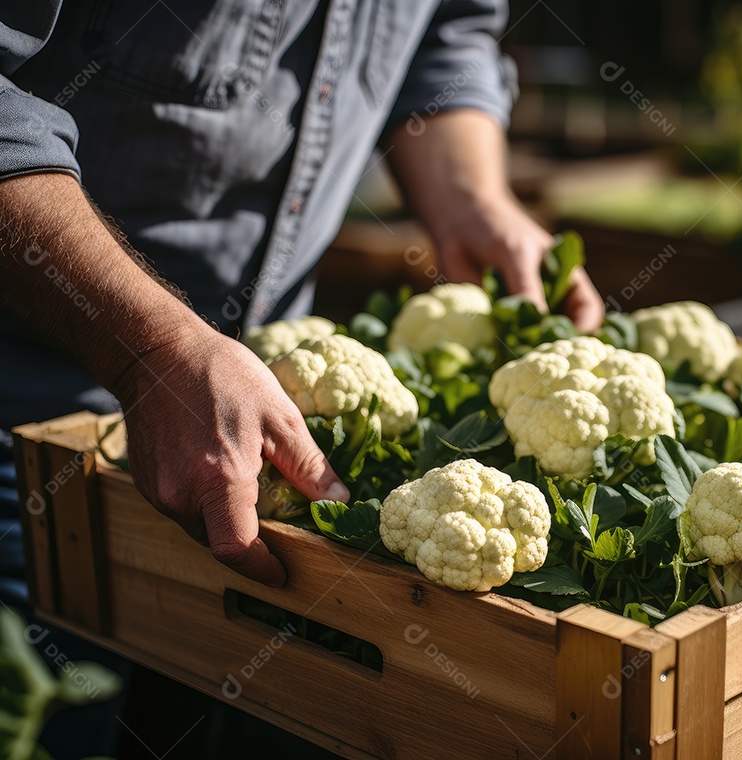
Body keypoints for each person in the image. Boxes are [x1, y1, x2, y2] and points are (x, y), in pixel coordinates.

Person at [0, 2, 603, 754]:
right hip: (35, 429)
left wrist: (471, 196)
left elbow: (447, 30)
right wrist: (146, 351)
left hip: (258, 426)